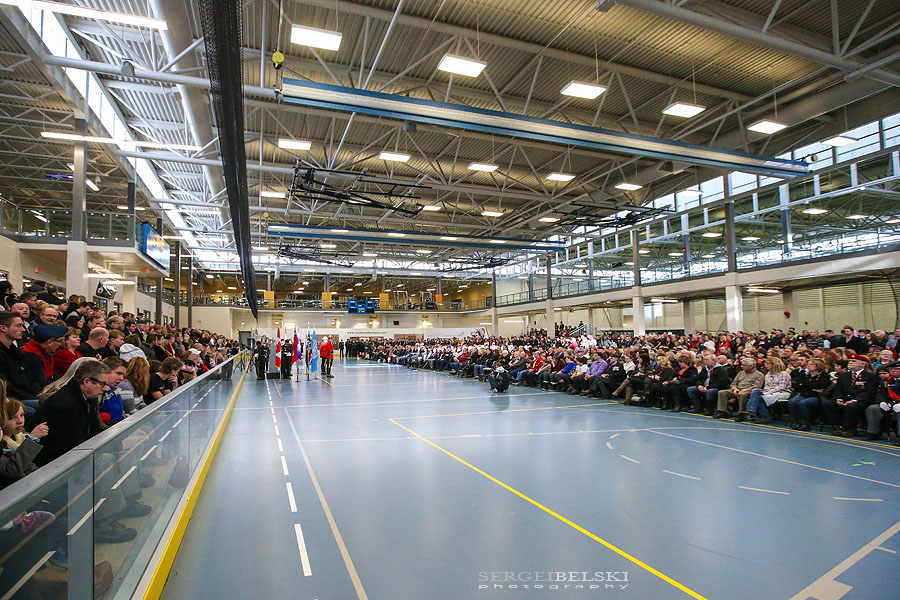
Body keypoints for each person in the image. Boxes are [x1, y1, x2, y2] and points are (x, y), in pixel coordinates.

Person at [823, 354, 879, 437]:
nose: (851, 363)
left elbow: (870, 392)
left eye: (854, 361)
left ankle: (851, 429)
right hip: (845, 398)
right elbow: (838, 389)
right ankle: (839, 426)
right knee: (828, 403)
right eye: (850, 361)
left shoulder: (870, 376)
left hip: (861, 400)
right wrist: (839, 398)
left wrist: (854, 400)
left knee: (852, 407)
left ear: (863, 364)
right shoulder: (844, 375)